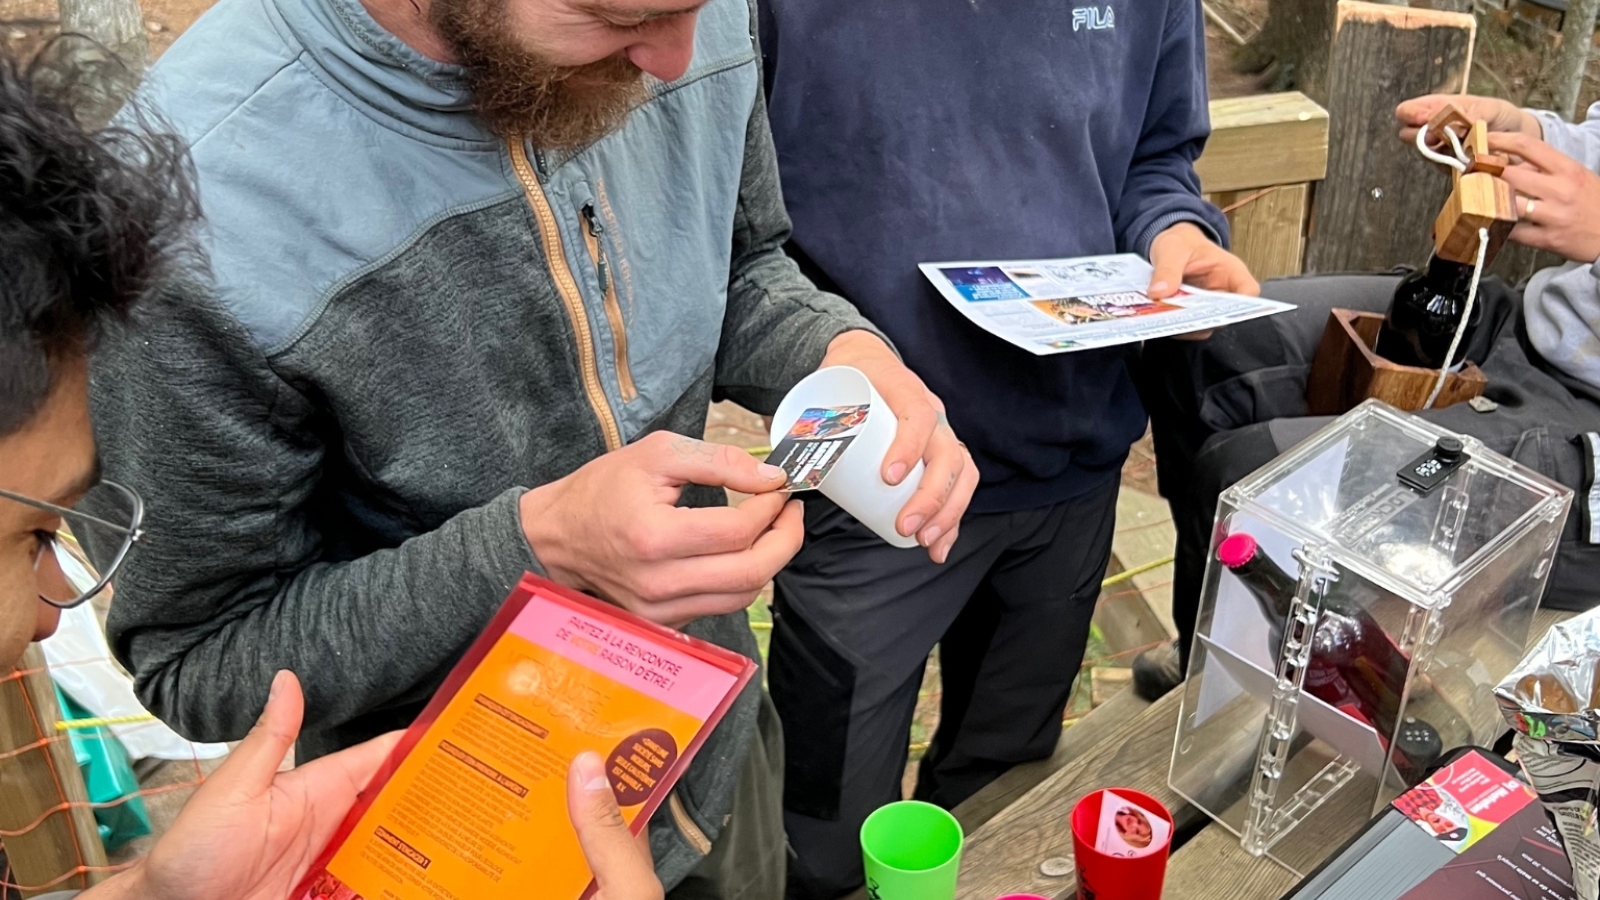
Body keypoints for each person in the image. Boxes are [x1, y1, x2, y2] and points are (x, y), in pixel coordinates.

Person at [84, 0, 977, 896]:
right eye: (624, 16)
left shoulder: (686, 25)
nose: (678, 58)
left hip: (712, 742)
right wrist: (538, 546)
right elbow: (203, 660)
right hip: (465, 832)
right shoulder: (180, 217)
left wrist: (836, 350)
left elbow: (744, 264)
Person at [0, 45, 660, 900]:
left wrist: (160, 894)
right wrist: (531, 545)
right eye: (35, 533)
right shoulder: (226, 215)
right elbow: (200, 658)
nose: (57, 614)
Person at [756, 2, 1257, 895]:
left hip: (1071, 462)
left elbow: (1156, 156)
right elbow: (735, 233)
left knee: (1003, 790)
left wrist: (1175, 232)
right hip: (871, 476)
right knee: (820, 836)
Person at [1133, 93, 1600, 701]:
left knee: (1250, 480)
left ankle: (1237, 704)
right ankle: (1217, 645)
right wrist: (1529, 138)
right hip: (1536, 324)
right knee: (1203, 340)